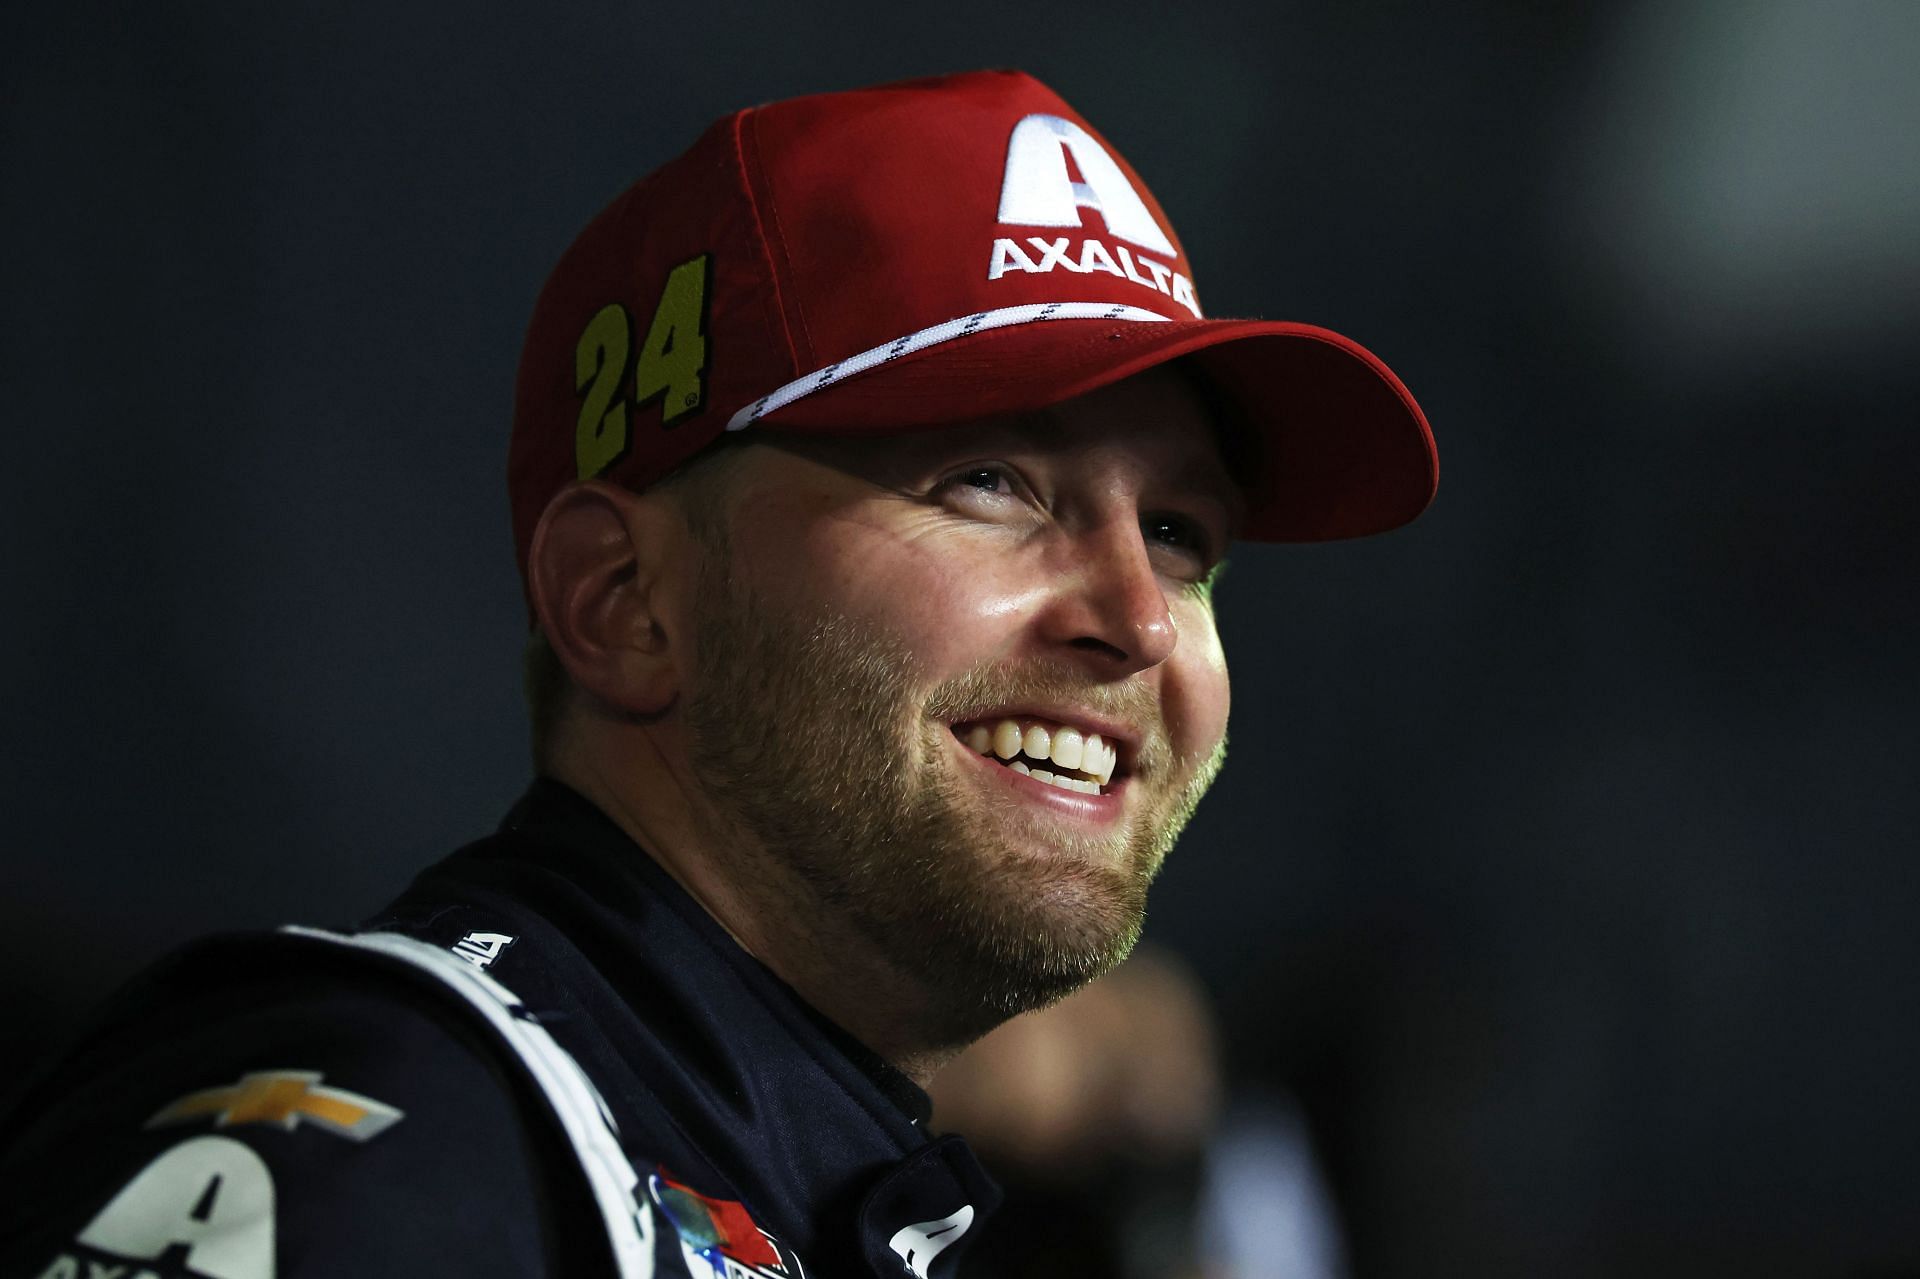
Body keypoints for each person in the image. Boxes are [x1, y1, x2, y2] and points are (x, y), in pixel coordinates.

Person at [0, 69, 1435, 1278]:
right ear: (623, 601)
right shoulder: (405, 1160)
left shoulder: (808, 1187)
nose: (1136, 615)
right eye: (990, 481)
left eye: (1182, 535)